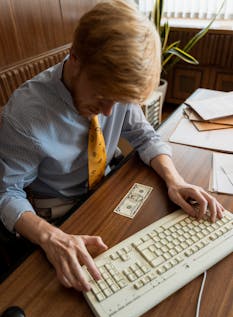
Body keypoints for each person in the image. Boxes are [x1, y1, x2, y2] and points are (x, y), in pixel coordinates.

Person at [0, 0, 224, 292]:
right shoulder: (25, 114)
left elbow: (144, 135)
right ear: (75, 58)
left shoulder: (115, 89)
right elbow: (6, 191)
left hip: (107, 186)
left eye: (118, 101)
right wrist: (49, 237)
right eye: (103, 95)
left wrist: (175, 180)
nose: (108, 112)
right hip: (58, 211)